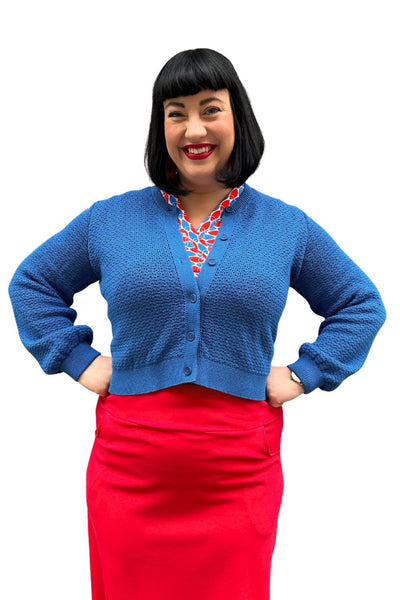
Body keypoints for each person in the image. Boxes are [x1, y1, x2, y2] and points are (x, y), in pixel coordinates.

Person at [8, 48, 386, 600]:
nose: (194, 129)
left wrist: (304, 374)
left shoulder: (286, 227)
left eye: (211, 109)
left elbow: (360, 304)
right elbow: (32, 284)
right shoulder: (109, 219)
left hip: (240, 471)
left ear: (238, 118)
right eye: (176, 113)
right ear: (159, 127)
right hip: (130, 469)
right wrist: (77, 360)